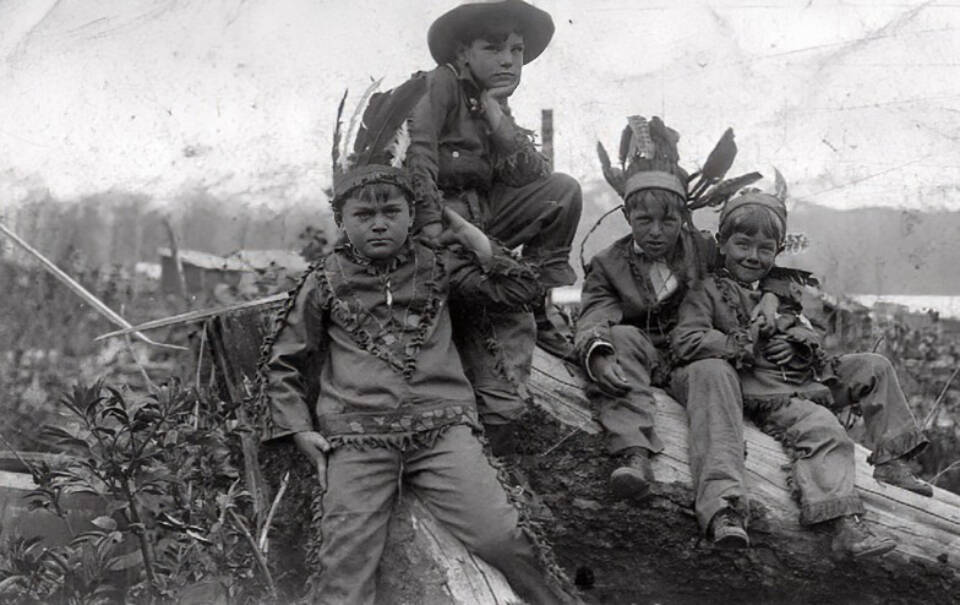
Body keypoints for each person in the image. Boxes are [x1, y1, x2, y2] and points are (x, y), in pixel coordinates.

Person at [259, 96, 575, 604]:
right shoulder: (322, 282)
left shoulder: (439, 265)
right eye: (364, 214)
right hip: (357, 442)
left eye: (391, 211)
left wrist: (466, 231)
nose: (378, 223)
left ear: (412, 214)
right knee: (344, 569)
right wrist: (299, 429)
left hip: (444, 431)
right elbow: (284, 361)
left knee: (503, 536)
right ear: (342, 220)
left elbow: (520, 289)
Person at [671, 188, 928, 558]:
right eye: (742, 244)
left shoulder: (780, 291)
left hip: (805, 375)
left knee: (875, 365)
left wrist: (796, 342)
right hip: (767, 390)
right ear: (723, 243)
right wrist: (745, 342)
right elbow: (688, 338)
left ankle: (892, 462)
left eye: (765, 249)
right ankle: (842, 523)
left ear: (777, 252)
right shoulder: (707, 291)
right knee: (823, 427)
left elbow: (808, 329)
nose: (752, 256)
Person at [576, 116, 763, 548]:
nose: (656, 232)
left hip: (692, 361)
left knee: (717, 372)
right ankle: (634, 455)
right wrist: (597, 349)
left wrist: (770, 296)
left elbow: (755, 267)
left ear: (683, 215)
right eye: (643, 220)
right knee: (619, 338)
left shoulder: (705, 251)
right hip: (640, 358)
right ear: (626, 215)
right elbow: (595, 314)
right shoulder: (608, 264)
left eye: (667, 220)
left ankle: (723, 505)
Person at [405, 0, 583, 450]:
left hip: (484, 220)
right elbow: (418, 156)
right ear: (463, 53)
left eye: (518, 50)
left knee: (564, 191)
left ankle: (551, 304)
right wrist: (430, 225)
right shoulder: (439, 85)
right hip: (444, 226)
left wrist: (500, 122)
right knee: (500, 322)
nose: (509, 60)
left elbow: (533, 179)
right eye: (494, 47)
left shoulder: (489, 101)